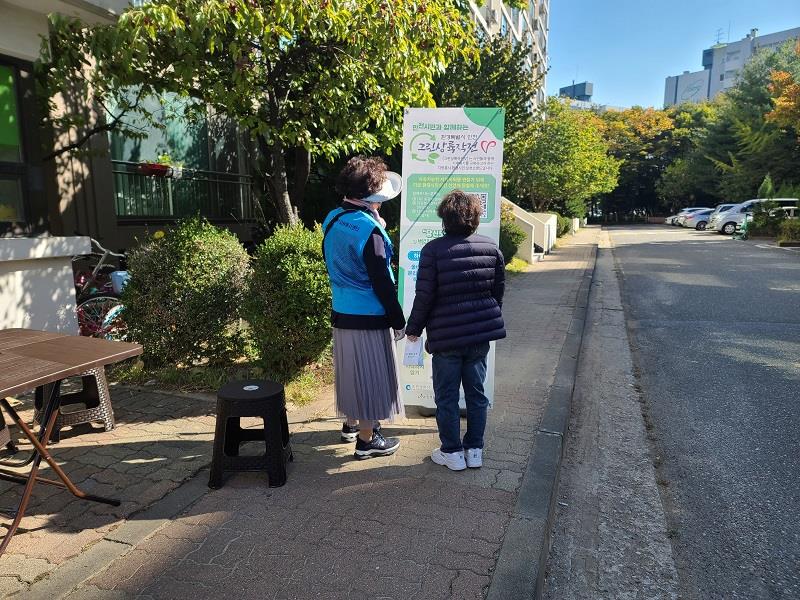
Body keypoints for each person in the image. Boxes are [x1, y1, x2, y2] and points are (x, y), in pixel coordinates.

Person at [405, 190, 506, 471]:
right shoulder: (491, 248)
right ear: (474, 218)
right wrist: (483, 319)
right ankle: (474, 450)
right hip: (478, 338)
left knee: (447, 396)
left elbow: (424, 295)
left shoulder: (434, 250)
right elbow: (497, 294)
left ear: (445, 219)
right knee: (477, 394)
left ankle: (451, 452)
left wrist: (414, 328)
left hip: (446, 338)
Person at [322, 156, 406, 460]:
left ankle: (351, 425)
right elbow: (382, 282)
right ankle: (368, 441)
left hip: (341, 310)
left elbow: (346, 241)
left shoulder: (332, 217)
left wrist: (372, 221)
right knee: (371, 377)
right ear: (371, 199)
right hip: (369, 315)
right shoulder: (370, 233)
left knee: (350, 372)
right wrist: (398, 319)